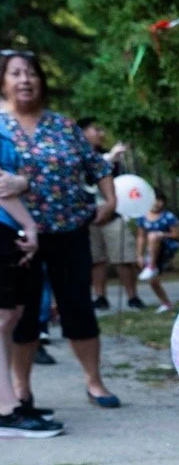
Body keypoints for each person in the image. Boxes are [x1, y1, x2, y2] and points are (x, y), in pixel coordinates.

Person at [0, 49, 121, 412]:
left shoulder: (63, 125)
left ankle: (94, 381)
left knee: (78, 306)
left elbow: (97, 166)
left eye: (32, 73)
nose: (25, 80)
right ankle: (21, 387)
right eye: (16, 73)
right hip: (18, 239)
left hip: (70, 229)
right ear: (3, 82)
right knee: (22, 313)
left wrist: (110, 202)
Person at [1, 114, 62, 436]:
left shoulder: (5, 127)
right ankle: (6, 410)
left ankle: (10, 401)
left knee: (11, 318)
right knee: (2, 318)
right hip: (6, 225)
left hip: (7, 227)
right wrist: (30, 225)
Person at [78, 118, 141, 311]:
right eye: (97, 129)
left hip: (113, 215)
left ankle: (132, 297)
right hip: (87, 216)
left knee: (123, 257)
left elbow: (124, 184)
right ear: (83, 132)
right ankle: (100, 297)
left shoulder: (112, 158)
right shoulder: (75, 155)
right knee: (96, 260)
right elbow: (85, 174)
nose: (102, 134)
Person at [134, 193, 178, 312]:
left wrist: (162, 234)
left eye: (159, 200)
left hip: (165, 248)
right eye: (154, 200)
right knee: (153, 280)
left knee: (153, 236)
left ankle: (152, 266)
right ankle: (166, 303)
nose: (156, 203)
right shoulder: (143, 217)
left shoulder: (168, 217)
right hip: (151, 251)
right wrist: (139, 255)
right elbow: (141, 237)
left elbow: (176, 234)